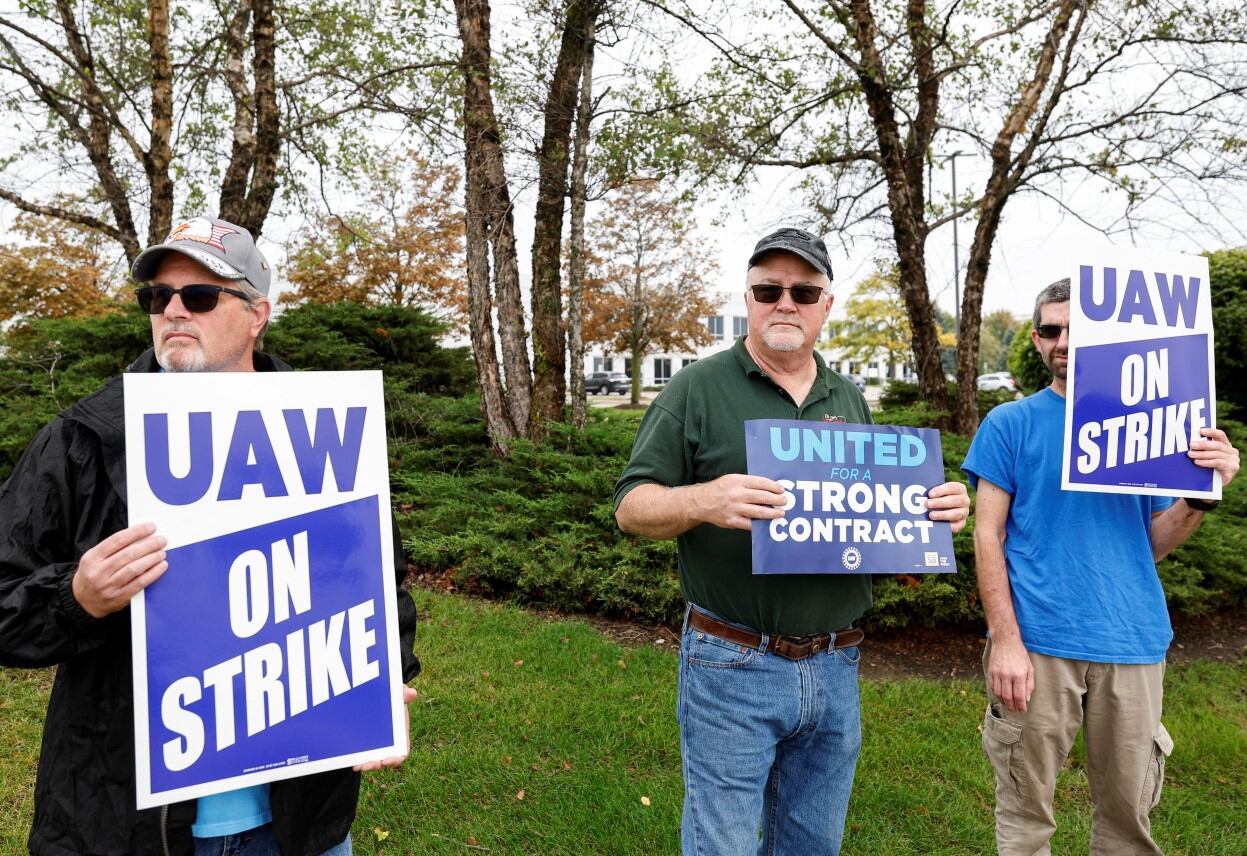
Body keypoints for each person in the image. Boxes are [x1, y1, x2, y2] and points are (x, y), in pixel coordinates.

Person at [0, 216, 421, 856]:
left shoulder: (326, 429)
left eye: (198, 296)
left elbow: (374, 577)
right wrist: (76, 597)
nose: (172, 310)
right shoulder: (83, 437)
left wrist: (385, 684)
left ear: (258, 315)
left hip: (295, 821)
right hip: (130, 823)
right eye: (156, 297)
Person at [613, 227, 970, 855]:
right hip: (731, 662)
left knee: (813, 845)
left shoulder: (849, 398)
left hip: (837, 665)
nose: (786, 303)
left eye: (803, 291)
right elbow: (631, 506)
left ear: (826, 305)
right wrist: (704, 500)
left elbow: (862, 522)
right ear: (747, 298)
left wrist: (929, 517)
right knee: (721, 845)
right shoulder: (696, 387)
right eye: (769, 289)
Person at [962, 278, 1240, 855]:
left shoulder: (1151, 427)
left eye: (1076, 329)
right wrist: (1005, 642)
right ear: (1036, 341)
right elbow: (986, 535)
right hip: (1038, 644)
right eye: (1050, 330)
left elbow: (1154, 544)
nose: (1062, 342)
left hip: (1133, 641)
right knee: (1024, 818)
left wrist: (1201, 495)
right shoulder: (1009, 424)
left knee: (1127, 824)